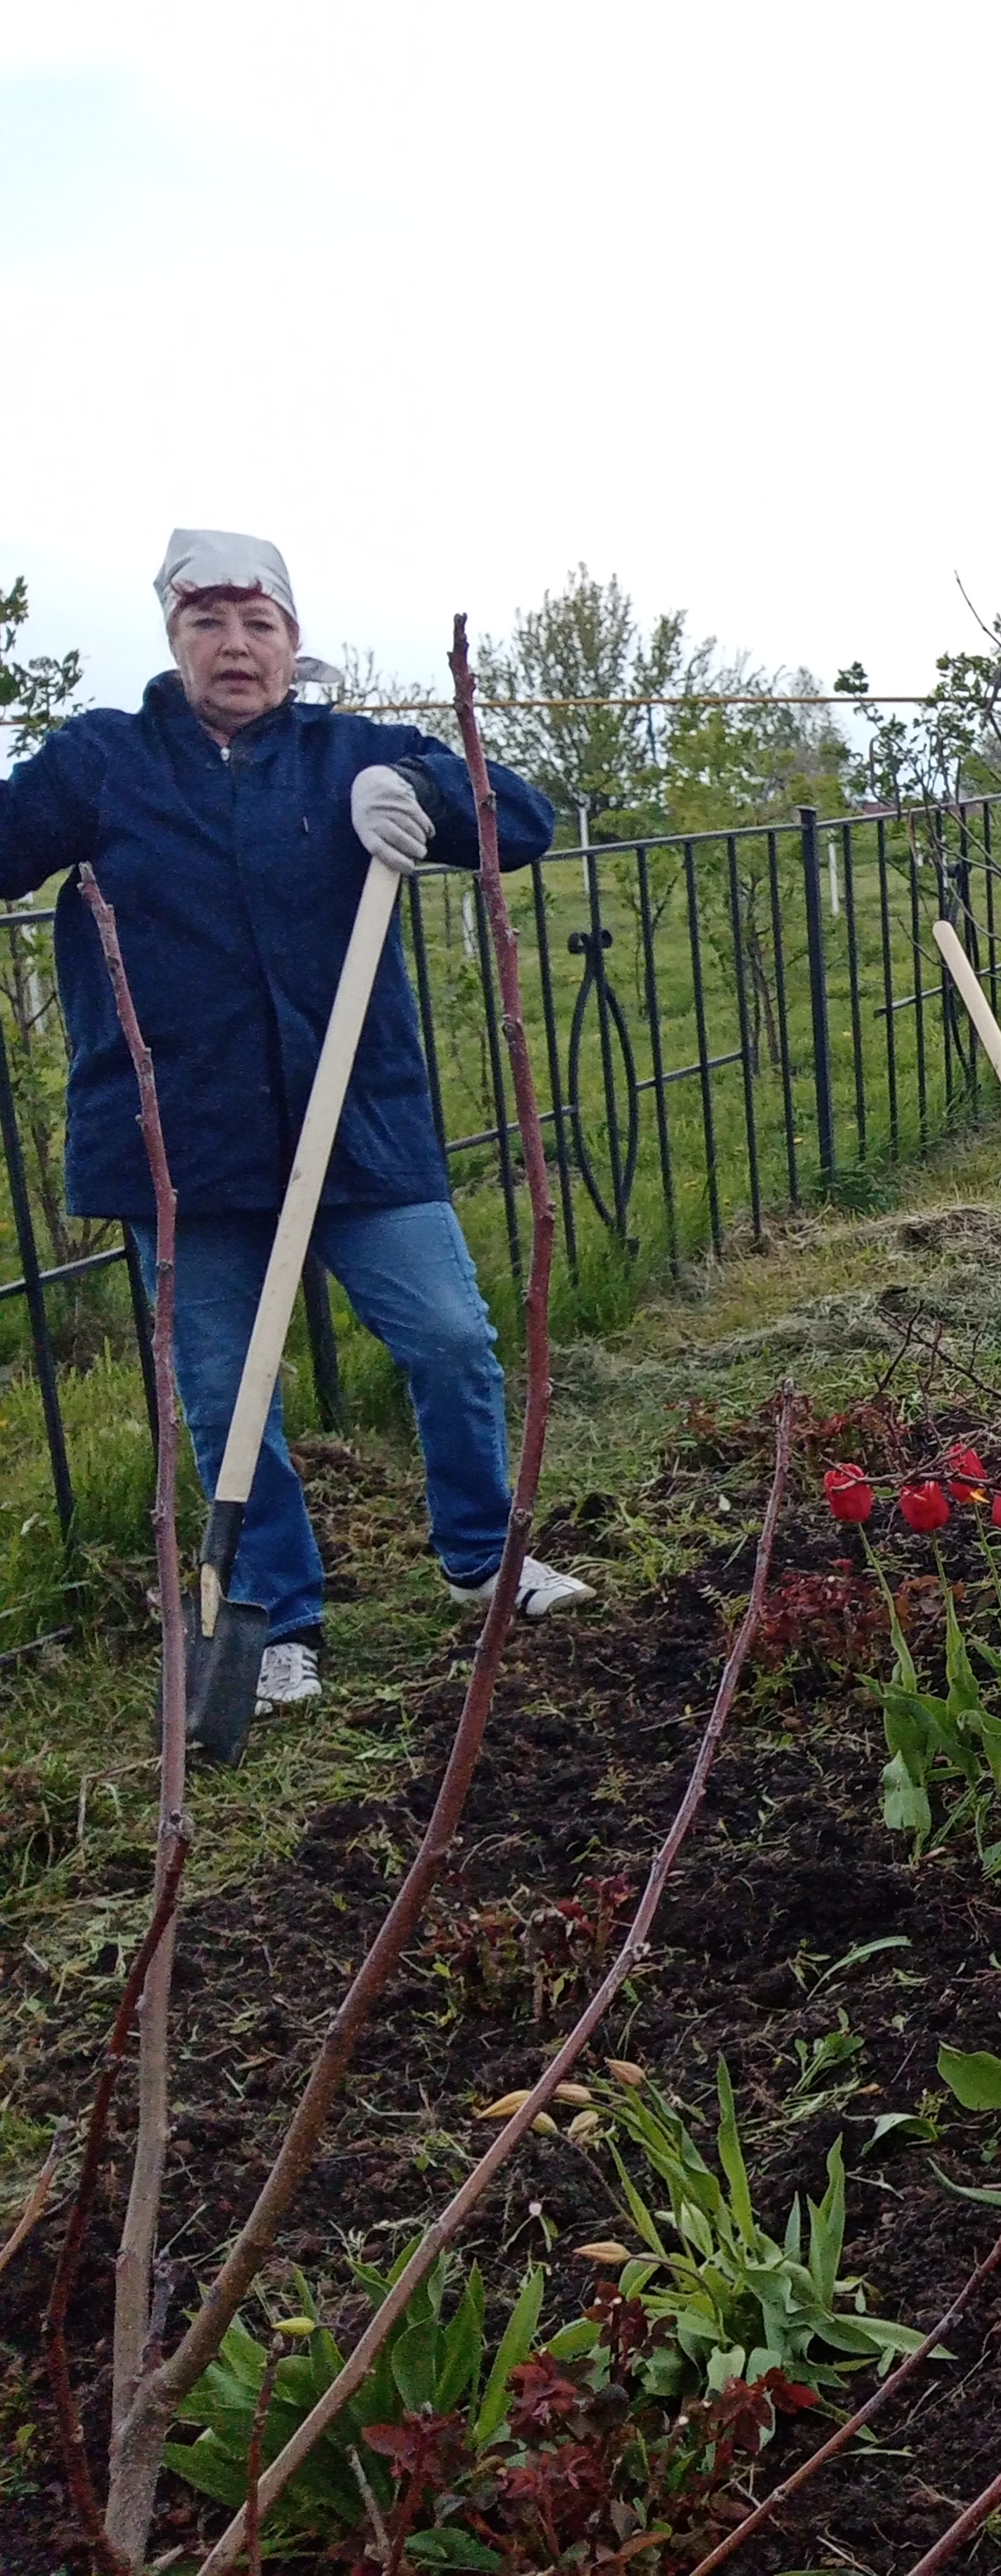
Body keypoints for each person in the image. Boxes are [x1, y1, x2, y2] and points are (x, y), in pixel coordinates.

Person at [0, 532, 595, 1740]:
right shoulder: (103, 763)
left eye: (258, 623)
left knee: (447, 1337)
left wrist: (425, 795)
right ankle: (273, 1614)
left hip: (359, 1128)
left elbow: (518, 819)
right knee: (227, 1394)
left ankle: (481, 1556)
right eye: (209, 621)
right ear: (173, 637)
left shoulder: (350, 753)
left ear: (291, 641)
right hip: (185, 1144)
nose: (235, 645)